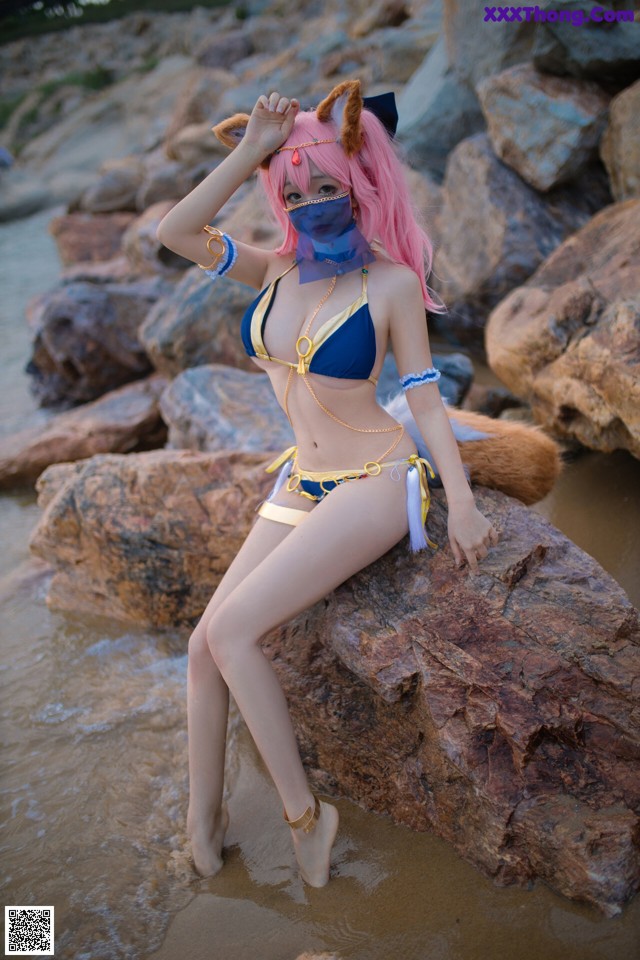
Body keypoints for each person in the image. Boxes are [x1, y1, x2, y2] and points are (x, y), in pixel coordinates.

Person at [156, 80, 500, 888]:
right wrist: (252, 151)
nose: (310, 204)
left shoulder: (392, 282)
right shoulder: (274, 269)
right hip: (301, 479)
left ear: (358, 181)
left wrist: (464, 503)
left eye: (325, 187)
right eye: (293, 192)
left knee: (235, 635)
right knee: (203, 649)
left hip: (376, 477)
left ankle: (307, 820)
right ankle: (203, 820)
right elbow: (174, 232)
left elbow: (424, 395)